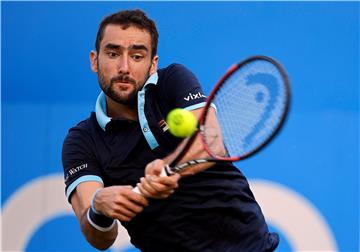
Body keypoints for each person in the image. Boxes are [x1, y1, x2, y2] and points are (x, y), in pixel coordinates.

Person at [62, 9, 279, 252]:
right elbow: (99, 238)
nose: (124, 67)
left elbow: (211, 141)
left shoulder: (172, 81)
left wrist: (168, 167)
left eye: (136, 56)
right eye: (113, 53)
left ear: (153, 64)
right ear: (95, 60)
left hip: (248, 247)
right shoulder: (82, 141)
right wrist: (98, 207)